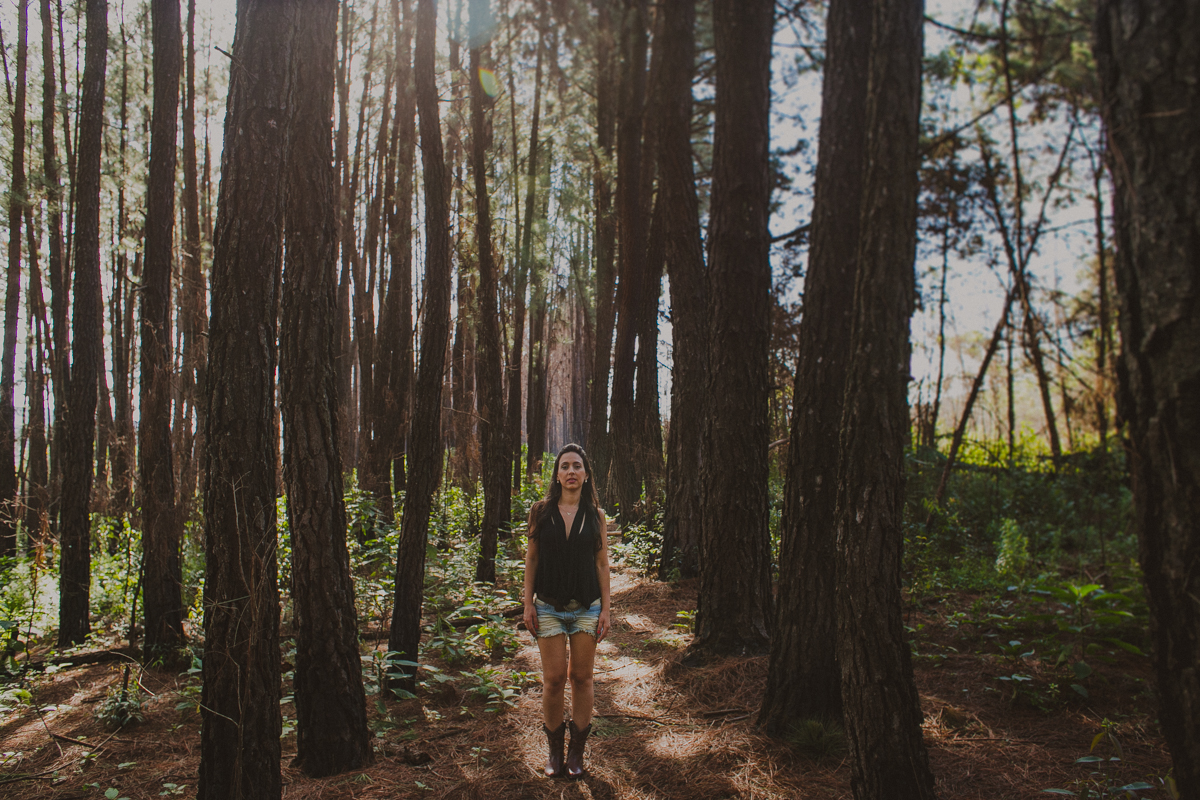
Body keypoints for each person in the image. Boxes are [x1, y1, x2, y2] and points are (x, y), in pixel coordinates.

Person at [522, 443, 612, 779]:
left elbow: (602, 563)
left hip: (587, 607)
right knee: (555, 679)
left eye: (577, 466)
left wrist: (606, 608)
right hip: (548, 606)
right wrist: (527, 602)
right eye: (564, 467)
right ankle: (554, 752)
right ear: (557, 474)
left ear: (586, 475)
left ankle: (576, 754)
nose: (570, 472)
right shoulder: (540, 511)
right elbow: (531, 558)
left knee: (582, 678)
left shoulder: (596, 515)